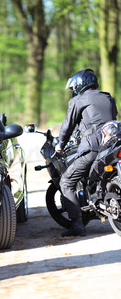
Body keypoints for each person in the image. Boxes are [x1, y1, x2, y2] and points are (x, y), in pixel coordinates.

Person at [55, 69, 118, 237]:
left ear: (79, 85)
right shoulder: (108, 97)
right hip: (112, 144)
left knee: (66, 182)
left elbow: (68, 125)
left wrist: (60, 144)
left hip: (93, 147)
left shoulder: (78, 100)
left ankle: (77, 226)